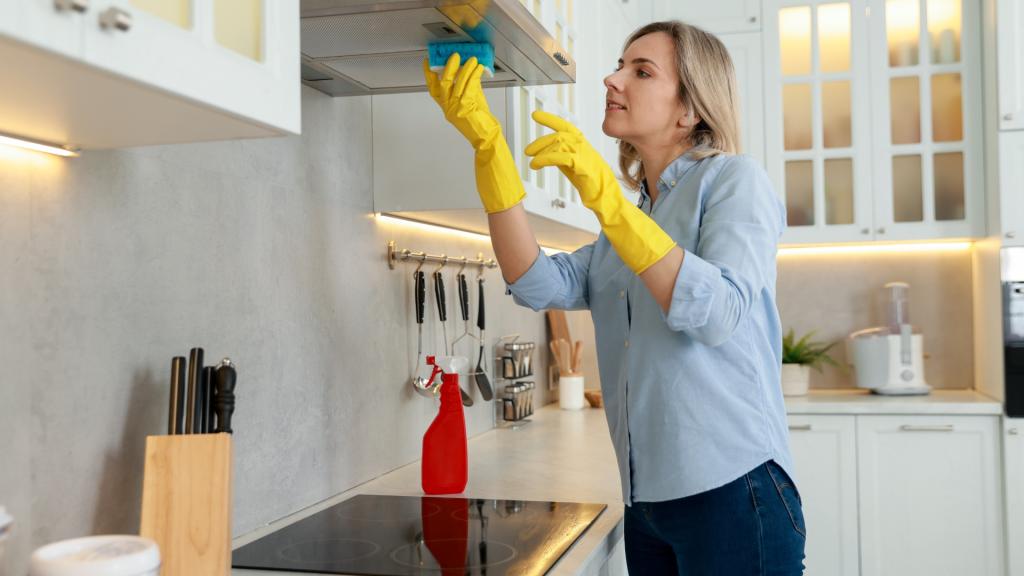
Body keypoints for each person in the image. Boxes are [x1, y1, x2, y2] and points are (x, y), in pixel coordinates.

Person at [424, 19, 806, 575]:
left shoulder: (733, 182)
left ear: (689, 108)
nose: (612, 79)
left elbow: (718, 312)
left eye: (641, 71)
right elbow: (536, 283)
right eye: (620, 65)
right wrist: (490, 151)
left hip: (734, 493)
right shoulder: (632, 221)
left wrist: (605, 196)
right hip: (646, 504)